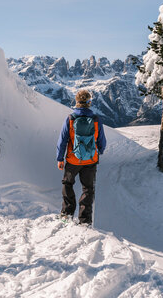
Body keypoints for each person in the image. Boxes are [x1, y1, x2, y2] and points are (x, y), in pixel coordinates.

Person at [56, 89, 106, 225]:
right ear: (89, 102)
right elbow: (102, 141)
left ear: (77, 102)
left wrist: (60, 158)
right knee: (88, 189)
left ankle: (66, 214)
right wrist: (98, 152)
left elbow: (62, 140)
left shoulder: (71, 119)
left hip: (73, 160)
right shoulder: (96, 119)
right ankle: (84, 220)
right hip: (91, 160)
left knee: (67, 184)